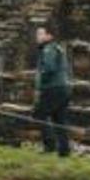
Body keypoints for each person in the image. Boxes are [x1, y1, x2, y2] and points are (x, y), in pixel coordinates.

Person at [33, 26, 72, 157]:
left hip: (52, 88)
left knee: (39, 115)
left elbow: (49, 68)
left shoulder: (49, 49)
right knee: (59, 119)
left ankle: (49, 145)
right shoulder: (57, 48)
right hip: (63, 88)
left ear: (49, 36)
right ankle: (64, 150)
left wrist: (41, 83)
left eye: (40, 34)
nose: (37, 37)